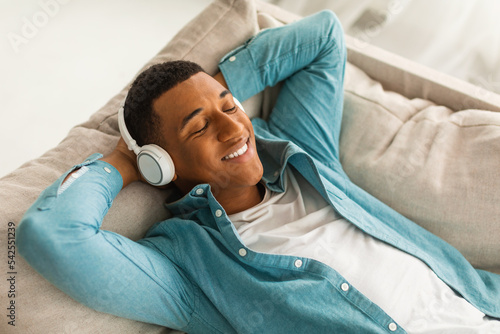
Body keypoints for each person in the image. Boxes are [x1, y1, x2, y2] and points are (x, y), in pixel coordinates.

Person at [17, 10, 500, 334]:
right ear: (162, 164)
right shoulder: (191, 266)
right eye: (200, 127)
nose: (233, 129)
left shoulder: (302, 157)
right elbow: (52, 236)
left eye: (230, 108)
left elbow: (324, 35)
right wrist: (124, 162)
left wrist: (212, 93)